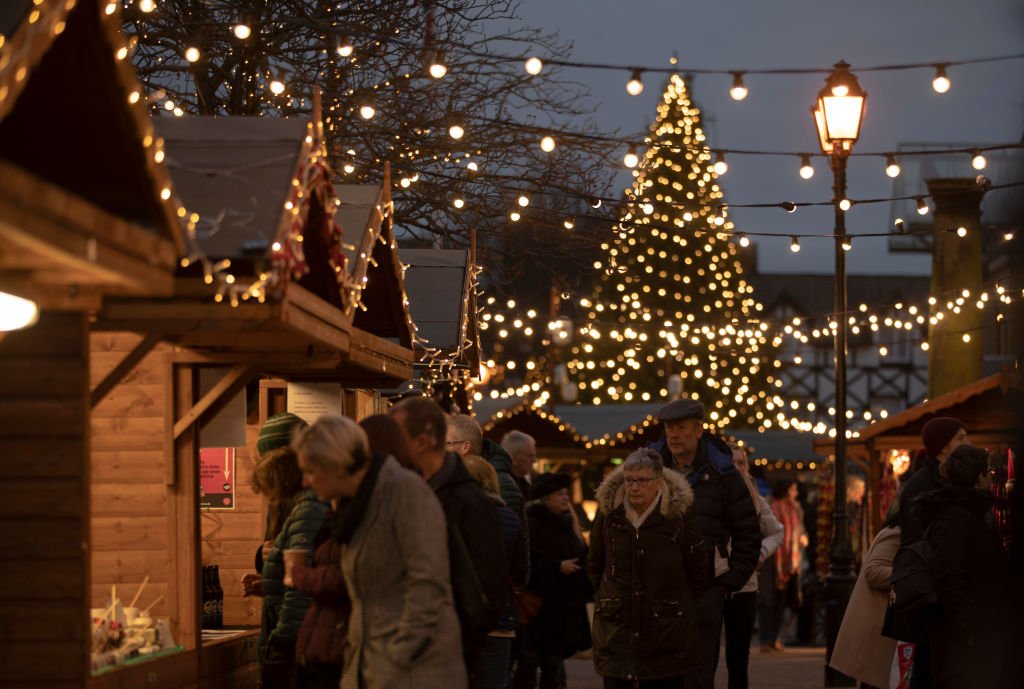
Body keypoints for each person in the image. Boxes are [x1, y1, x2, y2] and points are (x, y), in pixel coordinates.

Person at [293, 415, 467, 689]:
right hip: (373, 668)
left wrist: (396, 656)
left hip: (411, 674)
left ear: (336, 465)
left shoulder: (404, 491)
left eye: (310, 470)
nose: (305, 481)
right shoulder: (354, 507)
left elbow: (428, 586)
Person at [390, 397, 508, 687]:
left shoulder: (468, 501)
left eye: (398, 438)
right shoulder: (413, 490)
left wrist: (458, 639)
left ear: (422, 441)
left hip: (448, 653)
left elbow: (491, 582)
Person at [648, 398, 760, 689]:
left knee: (697, 677)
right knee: (658, 677)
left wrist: (726, 584)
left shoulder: (723, 474)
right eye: (669, 428)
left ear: (698, 430)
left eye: (681, 428)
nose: (673, 434)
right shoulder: (648, 471)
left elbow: (748, 534)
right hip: (656, 595)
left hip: (703, 594)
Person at [588, 448, 707, 689]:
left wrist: (676, 604)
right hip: (617, 628)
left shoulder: (677, 518)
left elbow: (698, 570)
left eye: (642, 481)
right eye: (629, 480)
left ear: (658, 482)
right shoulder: (610, 517)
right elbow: (594, 565)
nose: (634, 487)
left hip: (666, 631)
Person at [916, 444, 1011, 689]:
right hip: (961, 649)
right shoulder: (956, 519)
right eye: (988, 473)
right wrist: (970, 631)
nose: (991, 479)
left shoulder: (965, 514)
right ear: (979, 477)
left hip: (968, 643)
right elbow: (950, 577)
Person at [248, 413, 331, 688]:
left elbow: (300, 583)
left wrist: (282, 642)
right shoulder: (300, 506)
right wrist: (268, 584)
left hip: (296, 645)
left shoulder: (306, 508)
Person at [897, 416, 967, 689]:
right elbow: (919, 542)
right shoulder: (923, 485)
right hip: (929, 590)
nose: (968, 443)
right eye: (961, 438)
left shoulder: (939, 480)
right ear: (942, 447)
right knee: (927, 668)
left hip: (935, 587)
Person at [513, 473, 592, 689]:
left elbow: (582, 553)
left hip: (563, 607)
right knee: (537, 663)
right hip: (541, 609)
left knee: (554, 664)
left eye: (566, 493)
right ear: (545, 498)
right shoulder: (533, 523)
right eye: (560, 494)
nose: (566, 498)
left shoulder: (567, 523)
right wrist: (557, 567)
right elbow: (528, 561)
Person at [463, 454, 530, 689]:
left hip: (463, 618)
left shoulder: (455, 515)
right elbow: (521, 573)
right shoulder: (510, 518)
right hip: (500, 619)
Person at [720, 445, 784, 689]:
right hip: (714, 579)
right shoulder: (714, 493)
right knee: (709, 653)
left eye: (741, 463)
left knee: (738, 655)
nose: (736, 467)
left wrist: (760, 552)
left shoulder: (754, 497)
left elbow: (777, 531)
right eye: (732, 462)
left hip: (745, 583)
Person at [829, 507, 902, 689]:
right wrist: (910, 576)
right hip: (879, 625)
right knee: (875, 680)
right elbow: (873, 571)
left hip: (883, 627)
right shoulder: (896, 534)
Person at [759, 479, 806, 652]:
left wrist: (802, 537)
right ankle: (766, 639)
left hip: (789, 560)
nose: (796, 492)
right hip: (773, 558)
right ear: (786, 490)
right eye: (793, 488)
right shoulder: (774, 506)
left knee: (781, 602)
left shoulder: (795, 508)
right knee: (768, 600)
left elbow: (798, 529)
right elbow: (772, 531)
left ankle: (775, 638)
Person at [449, 414, 525, 520]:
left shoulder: (502, 484)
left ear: (465, 447)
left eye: (446, 444)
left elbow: (504, 531)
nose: (440, 450)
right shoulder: (455, 476)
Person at [502, 430, 538, 501]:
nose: (534, 461)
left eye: (534, 456)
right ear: (512, 458)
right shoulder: (503, 485)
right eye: (529, 456)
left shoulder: (525, 483)